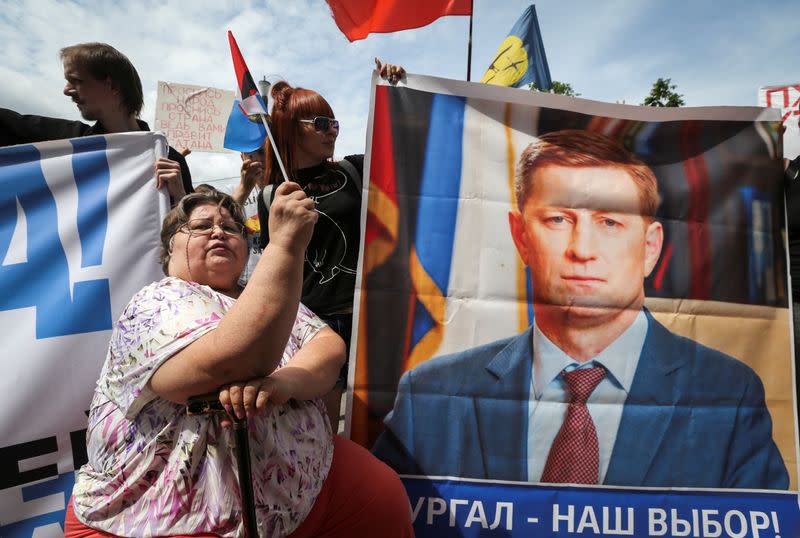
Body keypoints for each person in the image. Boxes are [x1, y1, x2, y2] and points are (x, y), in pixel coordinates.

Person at [372, 129, 789, 490]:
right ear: (520, 237)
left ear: (650, 247)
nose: (582, 250)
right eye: (557, 219)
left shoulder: (730, 394)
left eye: (610, 222)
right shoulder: (429, 394)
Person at [64, 186, 413, 537]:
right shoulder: (155, 301)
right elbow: (233, 362)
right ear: (170, 246)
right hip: (174, 515)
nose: (219, 231)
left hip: (305, 490)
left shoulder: (261, 293)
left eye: (232, 228)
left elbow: (328, 345)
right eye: (201, 226)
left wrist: (283, 383)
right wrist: (285, 245)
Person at [233, 60, 405, 429]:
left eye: (335, 123)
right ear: (290, 131)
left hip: (368, 315)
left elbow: (405, 143)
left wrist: (395, 91)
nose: (332, 132)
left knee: (380, 429)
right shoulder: (269, 197)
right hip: (313, 323)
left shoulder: (355, 170)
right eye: (321, 124)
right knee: (322, 434)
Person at [0, 42, 192, 205]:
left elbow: (192, 233)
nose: (67, 91)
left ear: (113, 86)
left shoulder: (170, 160)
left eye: (76, 81)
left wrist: (180, 198)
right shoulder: (66, 144)